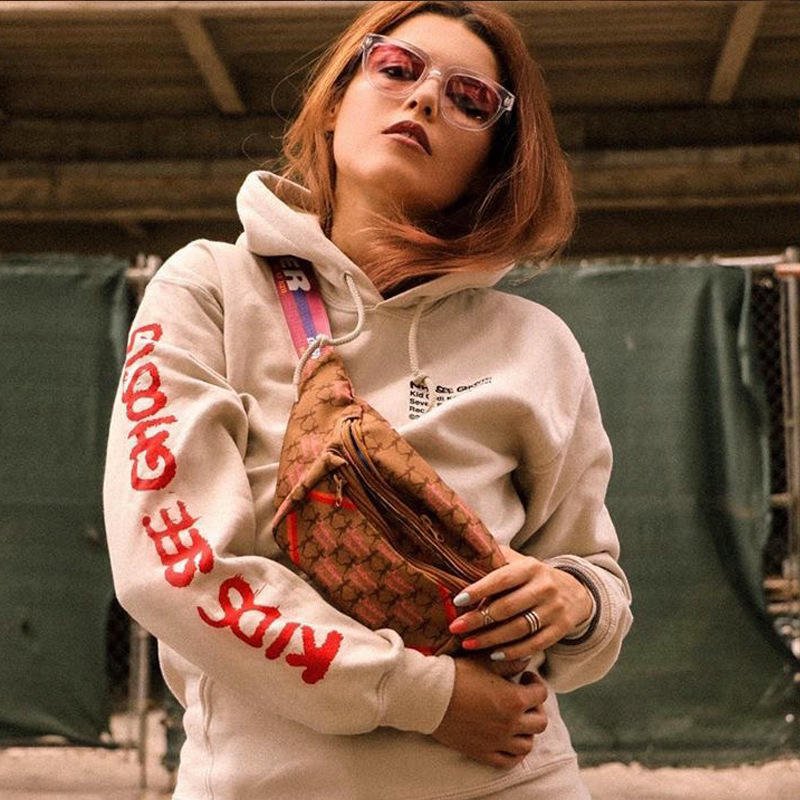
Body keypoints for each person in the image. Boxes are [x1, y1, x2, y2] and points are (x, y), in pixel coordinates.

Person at [102, 2, 632, 798]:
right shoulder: (209, 287)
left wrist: (575, 600)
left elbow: (592, 576)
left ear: (494, 159)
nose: (424, 97)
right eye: (396, 67)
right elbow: (170, 568)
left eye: (470, 98)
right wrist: (428, 696)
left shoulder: (538, 342)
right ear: (335, 100)